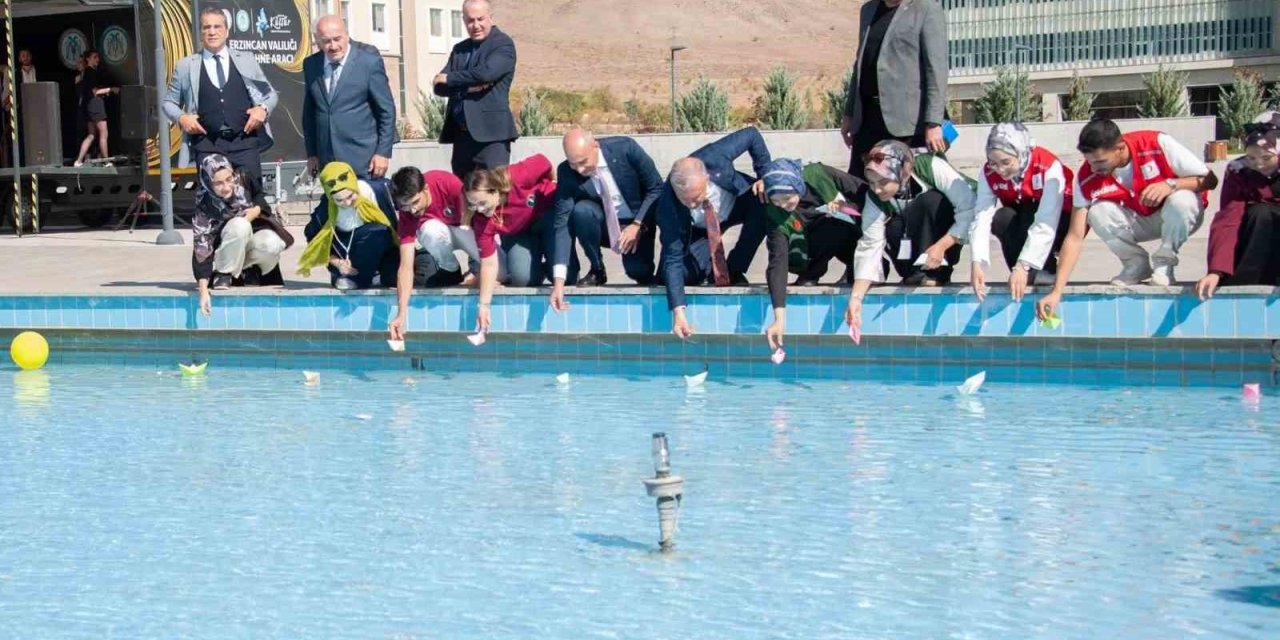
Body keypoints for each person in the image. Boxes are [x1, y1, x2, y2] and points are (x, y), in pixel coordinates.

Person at [1037, 119, 1219, 320]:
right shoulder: (1086, 177)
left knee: (1182, 199)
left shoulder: (1156, 143)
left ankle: (1164, 264)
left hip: (1179, 215)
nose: (1094, 168)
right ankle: (1136, 264)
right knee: (1097, 211)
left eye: (1100, 162)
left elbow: (1210, 180)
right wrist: (1057, 291)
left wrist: (1171, 185)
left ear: (1120, 148)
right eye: (1090, 162)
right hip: (1138, 221)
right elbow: (1075, 236)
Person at [843, 141, 977, 332]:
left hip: (943, 234)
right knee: (891, 224)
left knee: (931, 201)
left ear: (903, 172)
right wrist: (856, 298)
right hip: (909, 238)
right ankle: (913, 273)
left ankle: (935, 274)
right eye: (872, 183)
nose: (877, 189)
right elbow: (870, 245)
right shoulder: (874, 197)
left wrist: (942, 245)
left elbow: (969, 208)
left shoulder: (930, 167)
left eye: (883, 182)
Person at [657, 127, 772, 339]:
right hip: (700, 229)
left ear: (706, 177)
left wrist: (765, 175)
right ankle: (713, 270)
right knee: (685, 274)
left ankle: (735, 269)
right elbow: (673, 258)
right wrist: (678, 313)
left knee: (764, 206)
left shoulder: (714, 155)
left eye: (697, 197)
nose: (693, 204)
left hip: (737, 204)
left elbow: (752, 135)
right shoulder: (668, 205)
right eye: (686, 201)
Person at [162, 7, 278, 186]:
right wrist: (182, 118)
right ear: (200, 33)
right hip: (207, 145)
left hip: (244, 142)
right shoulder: (186, 66)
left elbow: (269, 94)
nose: (212, 32)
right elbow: (168, 102)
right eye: (206, 27)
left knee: (253, 196)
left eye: (217, 26)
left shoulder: (246, 60)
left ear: (226, 31)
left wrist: (263, 109)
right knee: (215, 199)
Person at [548, 128, 664, 308]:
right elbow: (562, 223)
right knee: (581, 211)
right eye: (573, 164)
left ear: (595, 145)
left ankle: (645, 268)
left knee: (638, 272)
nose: (580, 169)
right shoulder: (566, 172)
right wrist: (558, 283)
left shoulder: (626, 148)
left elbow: (656, 188)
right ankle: (597, 269)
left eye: (583, 162)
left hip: (636, 222)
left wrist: (638, 224)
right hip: (603, 224)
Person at [760, 158, 865, 351]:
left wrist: (845, 206)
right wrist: (779, 318)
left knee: (834, 224)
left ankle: (861, 268)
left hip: (847, 238)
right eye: (776, 200)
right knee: (828, 227)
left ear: (798, 186)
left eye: (787, 198)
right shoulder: (774, 213)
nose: (782, 205)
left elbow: (863, 192)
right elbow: (777, 262)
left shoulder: (817, 175)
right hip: (803, 250)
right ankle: (810, 273)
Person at [840, 0, 948, 178]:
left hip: (907, 124)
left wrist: (933, 123)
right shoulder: (868, 10)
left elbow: (937, 70)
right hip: (867, 117)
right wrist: (849, 113)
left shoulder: (927, 8)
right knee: (859, 183)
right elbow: (860, 66)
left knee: (905, 184)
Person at [968, 122, 1073, 302]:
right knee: (1002, 218)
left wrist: (1023, 265)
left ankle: (1044, 269)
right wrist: (976, 262)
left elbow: (1047, 219)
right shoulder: (988, 173)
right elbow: (982, 216)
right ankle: (1024, 274)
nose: (1000, 170)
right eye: (993, 163)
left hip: (1060, 222)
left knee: (1029, 211)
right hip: (1026, 219)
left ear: (1022, 153)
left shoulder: (1048, 166)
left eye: (1006, 162)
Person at [192, 154, 292, 315]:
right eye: (218, 183)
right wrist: (203, 292)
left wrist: (256, 210)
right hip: (226, 250)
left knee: (273, 243)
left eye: (229, 179)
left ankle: (251, 269)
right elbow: (201, 247)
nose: (226, 187)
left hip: (250, 241)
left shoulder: (244, 176)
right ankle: (223, 273)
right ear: (208, 182)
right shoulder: (204, 202)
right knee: (240, 225)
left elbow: (259, 196)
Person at [386, 167, 480, 339]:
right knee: (430, 231)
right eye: (405, 206)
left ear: (426, 189)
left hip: (468, 230)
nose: (412, 210)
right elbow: (405, 266)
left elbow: (479, 223)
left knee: (502, 273)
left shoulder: (448, 184)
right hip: (442, 234)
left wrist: (478, 270)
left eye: (415, 202)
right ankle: (451, 270)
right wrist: (401, 314)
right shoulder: (407, 213)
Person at [469, 155, 558, 332]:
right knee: (521, 278)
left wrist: (553, 182)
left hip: (547, 218)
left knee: (567, 277)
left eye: (482, 203)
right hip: (519, 234)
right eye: (473, 204)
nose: (479, 209)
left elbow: (544, 162)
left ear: (495, 192)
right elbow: (488, 263)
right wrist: (484, 306)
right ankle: (541, 267)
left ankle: (552, 262)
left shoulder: (516, 176)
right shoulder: (481, 219)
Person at [1196, 112, 1280, 299]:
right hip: (1258, 232)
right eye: (1252, 158)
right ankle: (1248, 282)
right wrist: (1216, 271)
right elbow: (1229, 219)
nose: (1259, 164)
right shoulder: (1239, 170)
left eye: (1266, 158)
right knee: (1259, 213)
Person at [303, 15, 396, 180]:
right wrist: (312, 154)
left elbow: (386, 111)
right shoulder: (311, 65)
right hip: (328, 162)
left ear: (347, 35)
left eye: (337, 39)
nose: (333, 46)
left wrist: (383, 152)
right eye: (326, 41)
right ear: (317, 41)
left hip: (364, 160)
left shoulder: (368, 63)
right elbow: (309, 113)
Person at [434, 0, 518, 177]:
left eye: (480, 19)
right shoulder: (460, 49)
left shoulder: (502, 44)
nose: (476, 25)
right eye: (470, 20)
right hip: (462, 137)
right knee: (463, 191)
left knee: (493, 189)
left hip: (491, 137)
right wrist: (465, 89)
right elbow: (439, 87)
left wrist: (451, 78)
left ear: (490, 18)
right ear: (464, 21)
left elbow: (485, 74)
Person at [299, 161, 399, 290]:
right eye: (339, 200)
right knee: (377, 232)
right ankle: (356, 278)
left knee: (393, 277)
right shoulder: (325, 208)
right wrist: (337, 263)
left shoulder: (378, 191)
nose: (347, 203)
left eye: (350, 196)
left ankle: (375, 274)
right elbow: (313, 239)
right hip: (347, 257)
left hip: (381, 246)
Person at [72, 50, 118, 167]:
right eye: (94, 57)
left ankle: (78, 161)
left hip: (90, 107)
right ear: (88, 59)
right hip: (96, 106)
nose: (97, 59)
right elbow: (95, 91)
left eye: (97, 57)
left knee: (91, 135)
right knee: (103, 133)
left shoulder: (86, 73)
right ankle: (106, 161)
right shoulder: (90, 72)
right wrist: (111, 89)